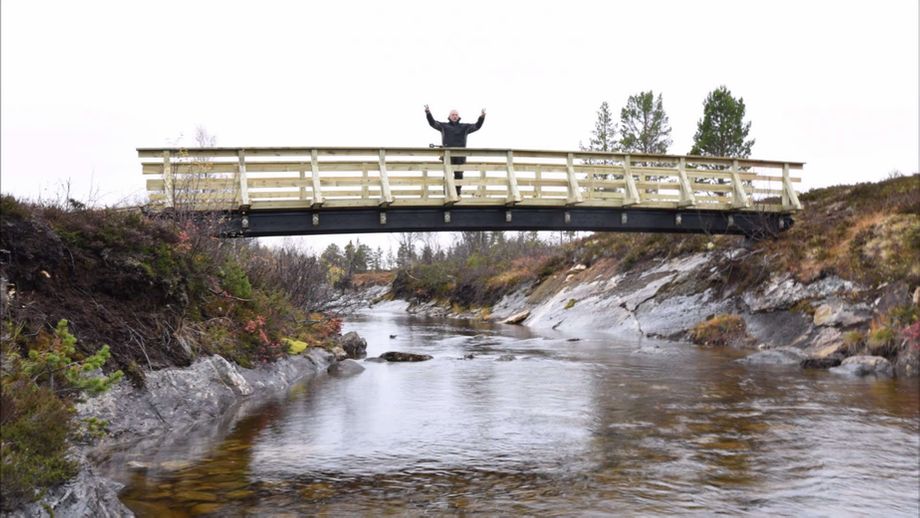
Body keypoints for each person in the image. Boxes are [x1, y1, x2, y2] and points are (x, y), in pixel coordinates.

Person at [425, 105, 486, 195]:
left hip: (460, 155)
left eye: (456, 115)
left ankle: (457, 193)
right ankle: (446, 193)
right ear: (449, 116)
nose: (454, 116)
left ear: (458, 116)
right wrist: (428, 113)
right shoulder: (444, 126)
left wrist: (481, 117)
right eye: (453, 115)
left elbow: (476, 126)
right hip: (447, 155)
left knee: (459, 175)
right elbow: (433, 123)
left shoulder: (464, 127)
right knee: (447, 174)